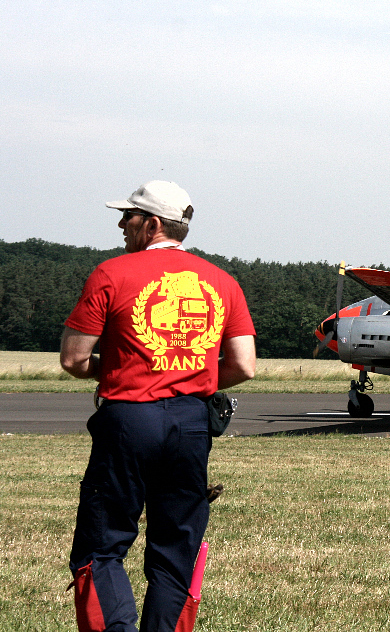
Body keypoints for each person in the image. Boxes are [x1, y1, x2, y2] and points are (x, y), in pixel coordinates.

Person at [60, 181, 256, 632]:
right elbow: (243, 365)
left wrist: (111, 370)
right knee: (176, 549)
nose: (120, 223)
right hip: (192, 424)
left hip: (128, 419)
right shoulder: (224, 282)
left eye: (128, 216)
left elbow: (73, 359)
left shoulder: (111, 273)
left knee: (102, 545)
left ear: (150, 224)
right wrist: (193, 378)